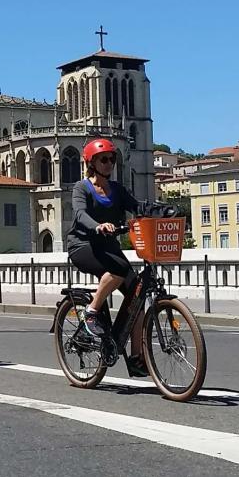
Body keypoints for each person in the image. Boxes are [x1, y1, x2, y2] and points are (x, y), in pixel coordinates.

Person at [66, 138, 146, 377]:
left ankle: (136, 358)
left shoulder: (118, 189)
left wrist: (163, 210)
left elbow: (137, 206)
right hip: (83, 246)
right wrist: (98, 226)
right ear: (92, 163)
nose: (109, 163)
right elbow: (80, 213)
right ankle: (91, 312)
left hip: (108, 248)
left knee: (137, 298)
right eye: (104, 159)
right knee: (119, 268)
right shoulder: (82, 188)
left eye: (112, 159)